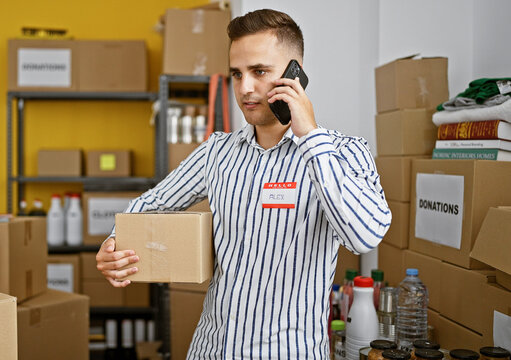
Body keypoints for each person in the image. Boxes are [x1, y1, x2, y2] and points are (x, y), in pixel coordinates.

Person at [96, 8, 391, 359]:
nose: (245, 88)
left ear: (294, 76)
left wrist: (310, 136)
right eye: (237, 74)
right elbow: (149, 204)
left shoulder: (342, 153)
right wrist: (114, 243)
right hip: (211, 349)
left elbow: (365, 235)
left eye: (259, 71)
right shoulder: (217, 152)